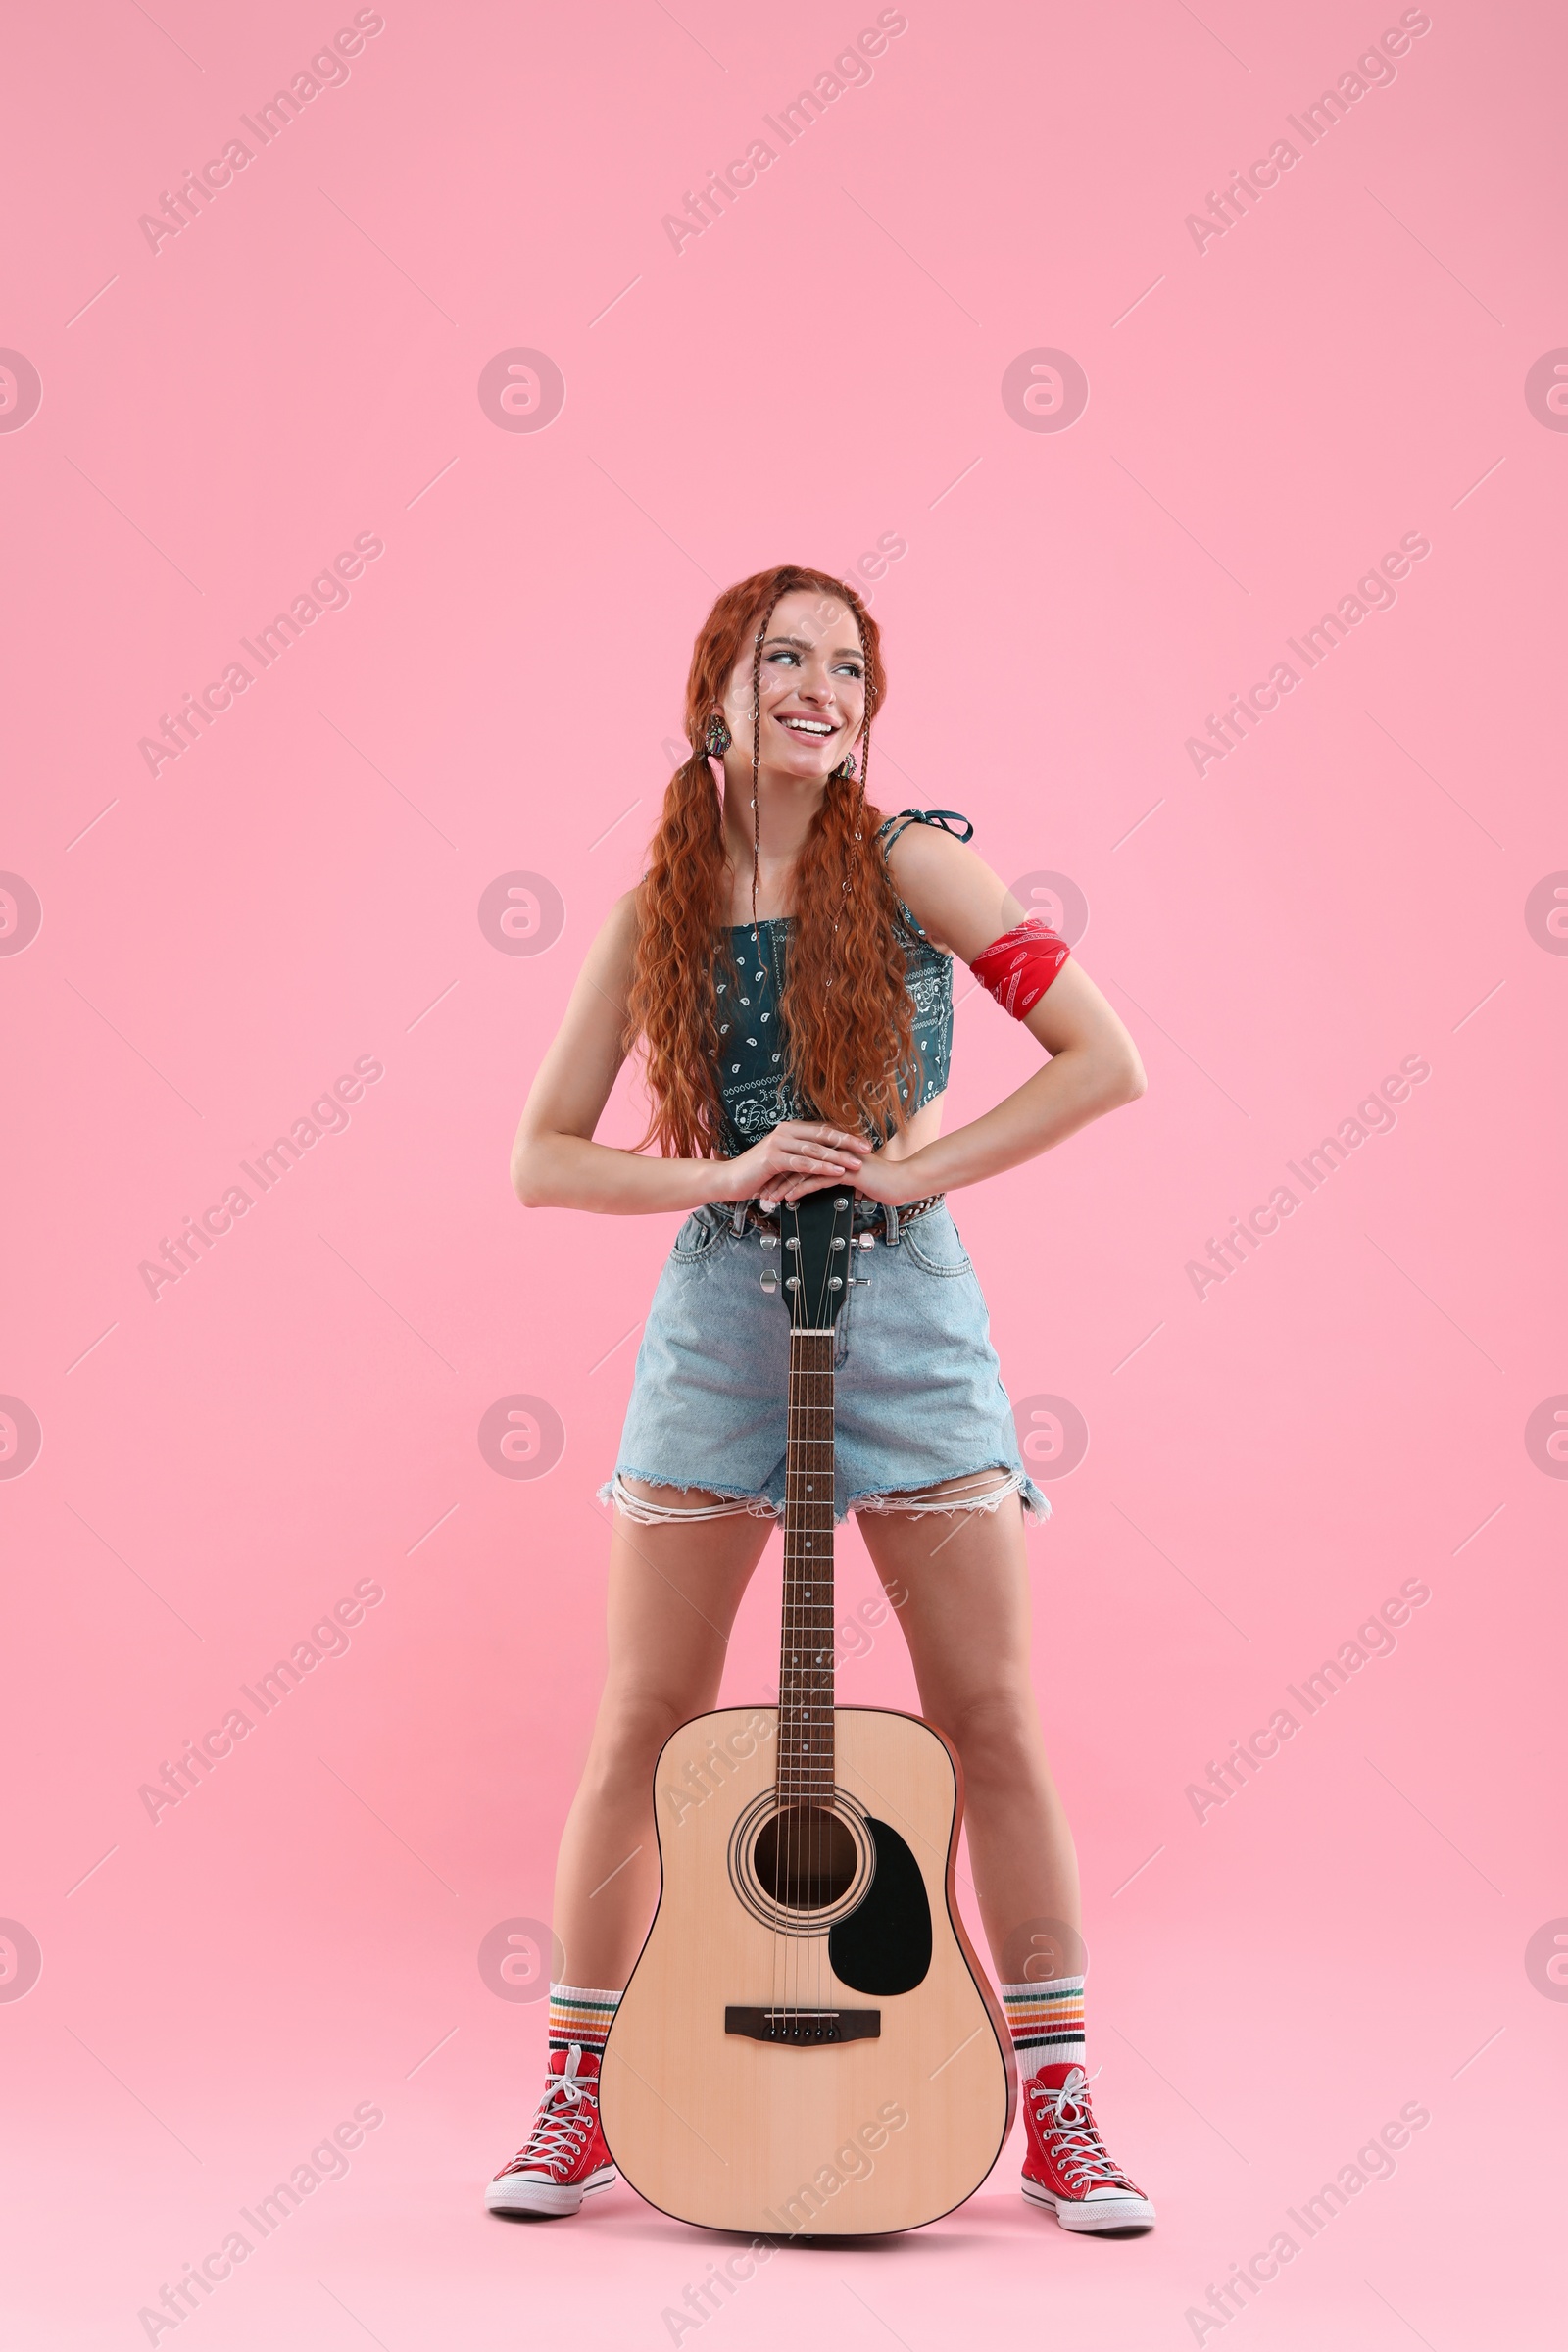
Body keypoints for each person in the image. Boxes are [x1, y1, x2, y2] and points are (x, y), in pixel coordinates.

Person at [487, 565, 1154, 2233]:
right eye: (784, 658)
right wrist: (719, 1172)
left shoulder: (915, 856)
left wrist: (927, 1176)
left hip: (912, 1329)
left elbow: (1103, 1057)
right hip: (721, 1330)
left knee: (985, 1719)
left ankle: (1058, 2103)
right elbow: (539, 1160)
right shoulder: (660, 906)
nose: (819, 686)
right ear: (715, 689)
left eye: (846, 665)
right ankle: (579, 2092)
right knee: (644, 1725)